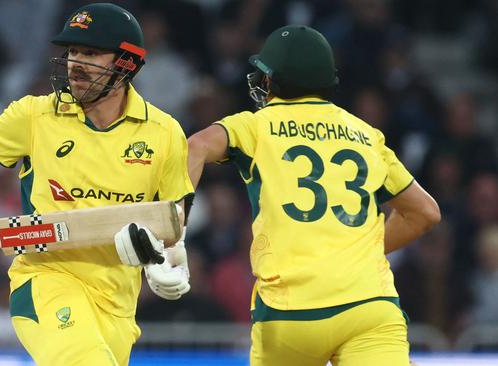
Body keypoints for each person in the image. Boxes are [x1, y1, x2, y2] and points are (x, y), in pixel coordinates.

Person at [0, 3, 194, 365]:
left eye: (90, 52)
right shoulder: (34, 115)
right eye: (72, 51)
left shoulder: (164, 133)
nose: (75, 63)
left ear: (126, 63)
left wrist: (171, 262)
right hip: (46, 280)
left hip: (118, 303)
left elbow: (173, 217)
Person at [187, 25, 441, 366]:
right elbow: (426, 213)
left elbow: (196, 147)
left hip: (291, 311)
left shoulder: (256, 125)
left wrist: (173, 232)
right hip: (368, 304)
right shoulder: (365, 133)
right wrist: (353, 250)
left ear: (272, 81)